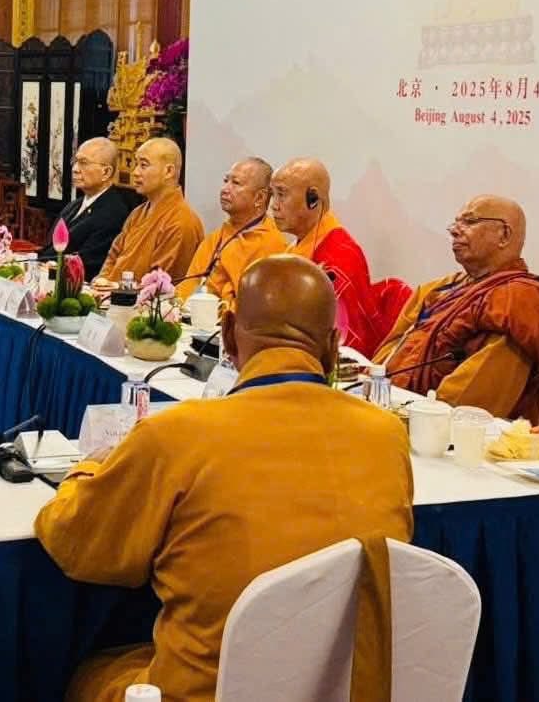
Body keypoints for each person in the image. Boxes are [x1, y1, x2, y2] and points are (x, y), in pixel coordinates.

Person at [36, 255, 414, 702]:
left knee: (87, 673)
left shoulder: (176, 434)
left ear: (229, 333)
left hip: (204, 693)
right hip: (343, 688)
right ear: (333, 347)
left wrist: (85, 471)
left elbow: (81, 546)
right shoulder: (387, 435)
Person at [374, 195, 539, 421]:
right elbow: (384, 358)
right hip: (387, 407)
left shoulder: (518, 301)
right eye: (456, 223)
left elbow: (467, 406)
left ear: (504, 235)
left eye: (470, 222)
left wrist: (403, 417)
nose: (454, 231)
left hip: (437, 427)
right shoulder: (436, 290)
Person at [271, 158, 395, 356]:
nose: (274, 206)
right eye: (274, 195)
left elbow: (343, 340)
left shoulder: (338, 256)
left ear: (313, 199)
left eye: (282, 195)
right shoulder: (299, 246)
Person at [174, 157, 284, 308]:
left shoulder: (271, 245)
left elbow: (254, 306)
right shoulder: (216, 236)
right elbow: (189, 284)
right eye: (226, 181)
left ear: (259, 198)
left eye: (236, 183)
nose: (225, 189)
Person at [95, 138, 205, 284]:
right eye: (136, 164)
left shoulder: (181, 222)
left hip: (138, 297)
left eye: (143, 165)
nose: (135, 172)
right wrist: (102, 282)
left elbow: (159, 285)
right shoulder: (138, 213)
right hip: (112, 293)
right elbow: (113, 255)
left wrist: (113, 288)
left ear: (168, 171)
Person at [49, 138, 136, 279]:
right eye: (75, 161)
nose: (75, 169)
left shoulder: (113, 213)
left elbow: (85, 264)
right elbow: (51, 249)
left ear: (106, 172)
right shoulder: (74, 205)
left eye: (83, 163)